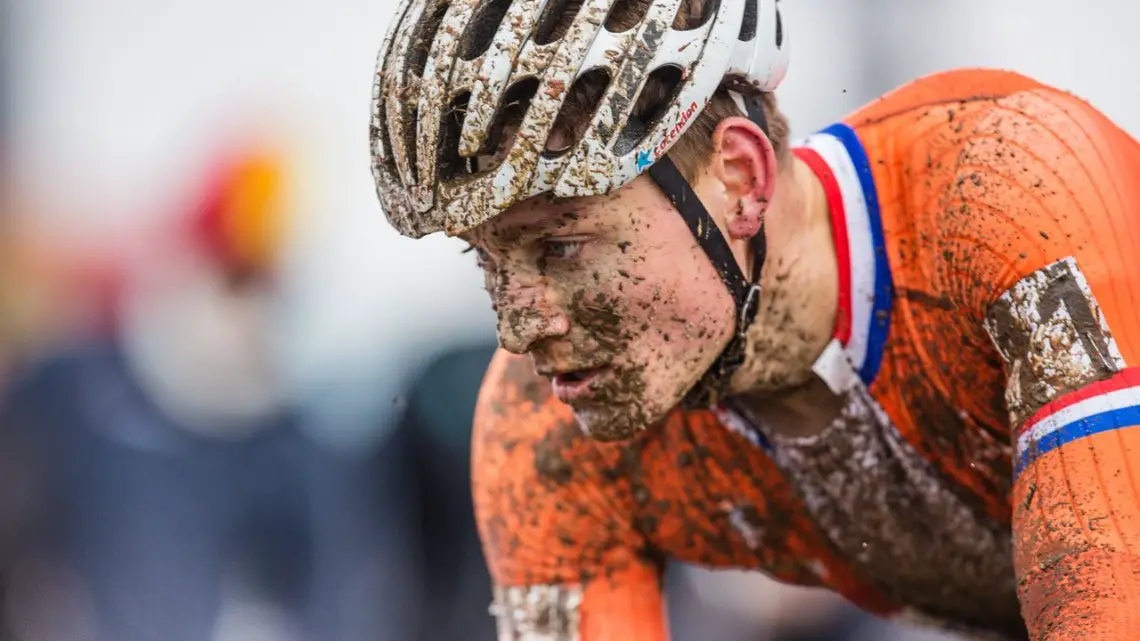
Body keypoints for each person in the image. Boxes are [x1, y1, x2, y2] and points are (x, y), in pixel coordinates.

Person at [368, 0, 1140, 639]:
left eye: (563, 245)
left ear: (739, 176)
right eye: (486, 261)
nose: (516, 327)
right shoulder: (543, 426)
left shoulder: (1011, 194)